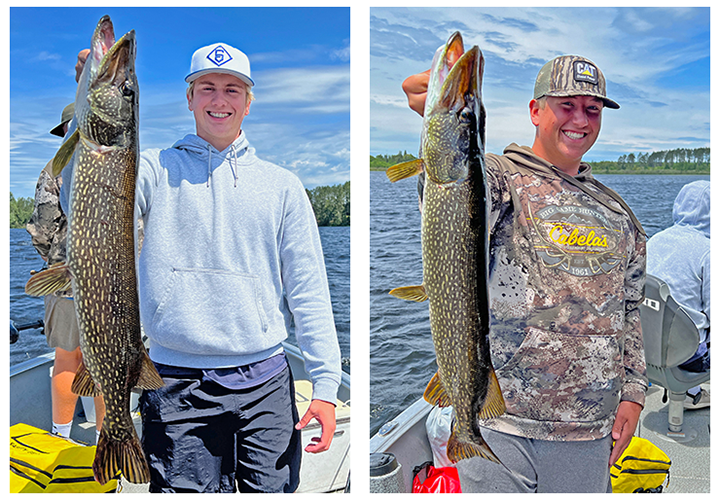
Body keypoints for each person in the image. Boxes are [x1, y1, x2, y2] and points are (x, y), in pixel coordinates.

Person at [70, 42, 342, 493]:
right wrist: (83, 102)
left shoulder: (284, 187)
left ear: (249, 102)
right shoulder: (151, 169)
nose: (220, 100)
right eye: (207, 88)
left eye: (233, 89)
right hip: (173, 381)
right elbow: (81, 198)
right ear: (190, 97)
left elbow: (309, 293)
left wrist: (327, 387)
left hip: (266, 381)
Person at [402, 54, 647, 492]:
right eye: (566, 105)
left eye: (592, 109)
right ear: (535, 111)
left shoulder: (619, 214)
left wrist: (633, 393)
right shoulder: (499, 178)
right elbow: (451, 187)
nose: (580, 119)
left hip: (589, 426)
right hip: (502, 420)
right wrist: (437, 121)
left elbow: (630, 309)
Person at [26, 103, 106, 442]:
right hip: (109, 280)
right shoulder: (112, 166)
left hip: (66, 279)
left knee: (66, 357)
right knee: (105, 359)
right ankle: (108, 436)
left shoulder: (53, 170)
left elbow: (42, 228)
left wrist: (52, 260)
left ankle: (60, 436)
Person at [646, 180, 710, 409]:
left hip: (647, 346)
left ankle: (690, 393)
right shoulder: (709, 251)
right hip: (688, 357)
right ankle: (691, 394)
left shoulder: (655, 241)